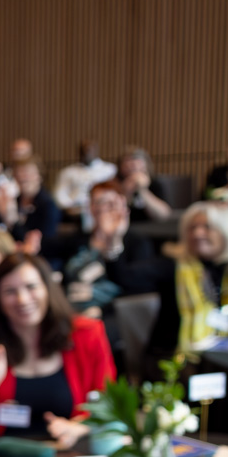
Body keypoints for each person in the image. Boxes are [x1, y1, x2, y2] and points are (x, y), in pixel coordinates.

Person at [0, 253, 113, 444]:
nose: (22, 299)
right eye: (9, 291)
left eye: (31, 287)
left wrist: (79, 427)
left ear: (47, 288)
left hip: (66, 453)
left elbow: (107, 405)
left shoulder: (87, 334)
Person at [113, 200, 228, 356]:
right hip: (177, 362)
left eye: (207, 227)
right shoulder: (175, 267)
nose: (197, 233)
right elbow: (123, 278)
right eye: (192, 228)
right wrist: (113, 240)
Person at [62, 182, 157, 342]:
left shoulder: (135, 242)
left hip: (110, 313)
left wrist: (114, 241)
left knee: (86, 337)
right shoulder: (78, 239)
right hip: (70, 310)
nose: (103, 208)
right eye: (97, 202)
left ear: (122, 206)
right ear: (91, 208)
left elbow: (135, 287)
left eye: (109, 202)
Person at [8, 159, 59, 259]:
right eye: (19, 173)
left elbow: (45, 243)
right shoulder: (13, 201)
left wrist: (13, 223)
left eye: (28, 173)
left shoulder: (47, 204)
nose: (23, 177)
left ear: (39, 176)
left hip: (41, 259)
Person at [53, 140, 117, 218]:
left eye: (89, 150)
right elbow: (59, 194)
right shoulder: (68, 172)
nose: (86, 153)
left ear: (96, 150)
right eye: (83, 151)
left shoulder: (109, 170)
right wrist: (69, 206)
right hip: (75, 212)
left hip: (102, 210)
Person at [116, 146, 175, 221]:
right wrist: (126, 192)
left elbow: (164, 215)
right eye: (128, 160)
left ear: (146, 164)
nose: (133, 164)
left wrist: (142, 190)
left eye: (136, 160)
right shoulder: (113, 184)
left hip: (151, 227)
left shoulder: (155, 184)